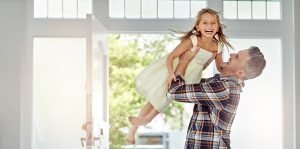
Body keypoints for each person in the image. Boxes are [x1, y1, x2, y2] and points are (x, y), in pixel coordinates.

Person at [127, 8, 233, 144]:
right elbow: (171, 56)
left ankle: (135, 127)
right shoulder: (193, 40)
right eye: (205, 23)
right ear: (198, 27)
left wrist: (232, 72)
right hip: (175, 71)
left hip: (190, 77)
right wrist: (171, 74)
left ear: (217, 27)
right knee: (160, 98)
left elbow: (220, 67)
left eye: (213, 23)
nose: (209, 26)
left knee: (160, 98)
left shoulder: (217, 47)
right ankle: (143, 122)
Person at [167, 46, 266, 148]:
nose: (232, 55)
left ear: (240, 73)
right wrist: (204, 63)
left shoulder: (224, 89)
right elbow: (192, 84)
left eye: (237, 57)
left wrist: (184, 61)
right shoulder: (222, 85)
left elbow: (173, 91)